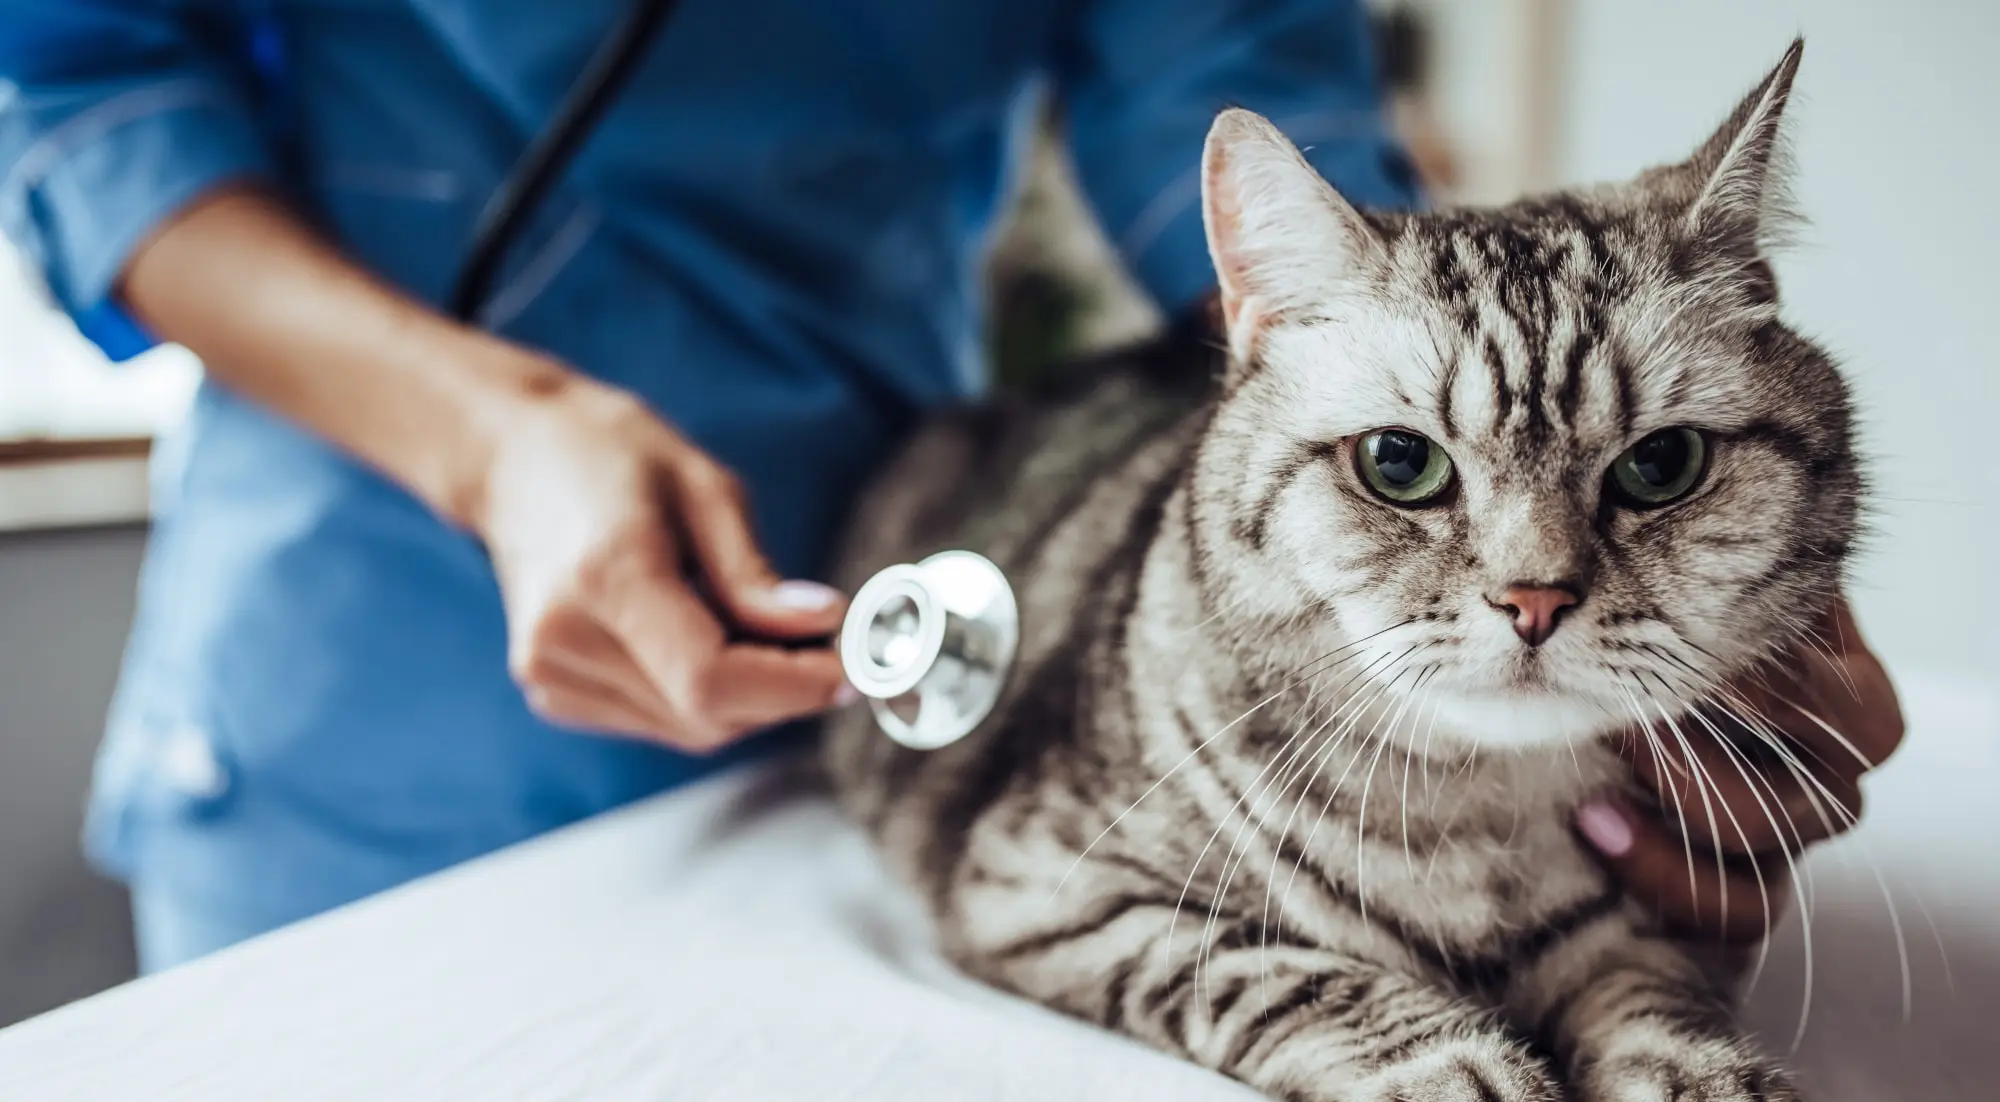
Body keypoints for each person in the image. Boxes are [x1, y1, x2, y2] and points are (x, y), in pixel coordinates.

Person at [0, 2, 1898, 974]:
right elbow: (85, 89)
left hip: (914, 606)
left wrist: (1685, 556)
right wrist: (490, 438)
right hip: (368, 629)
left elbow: (1235, 103)